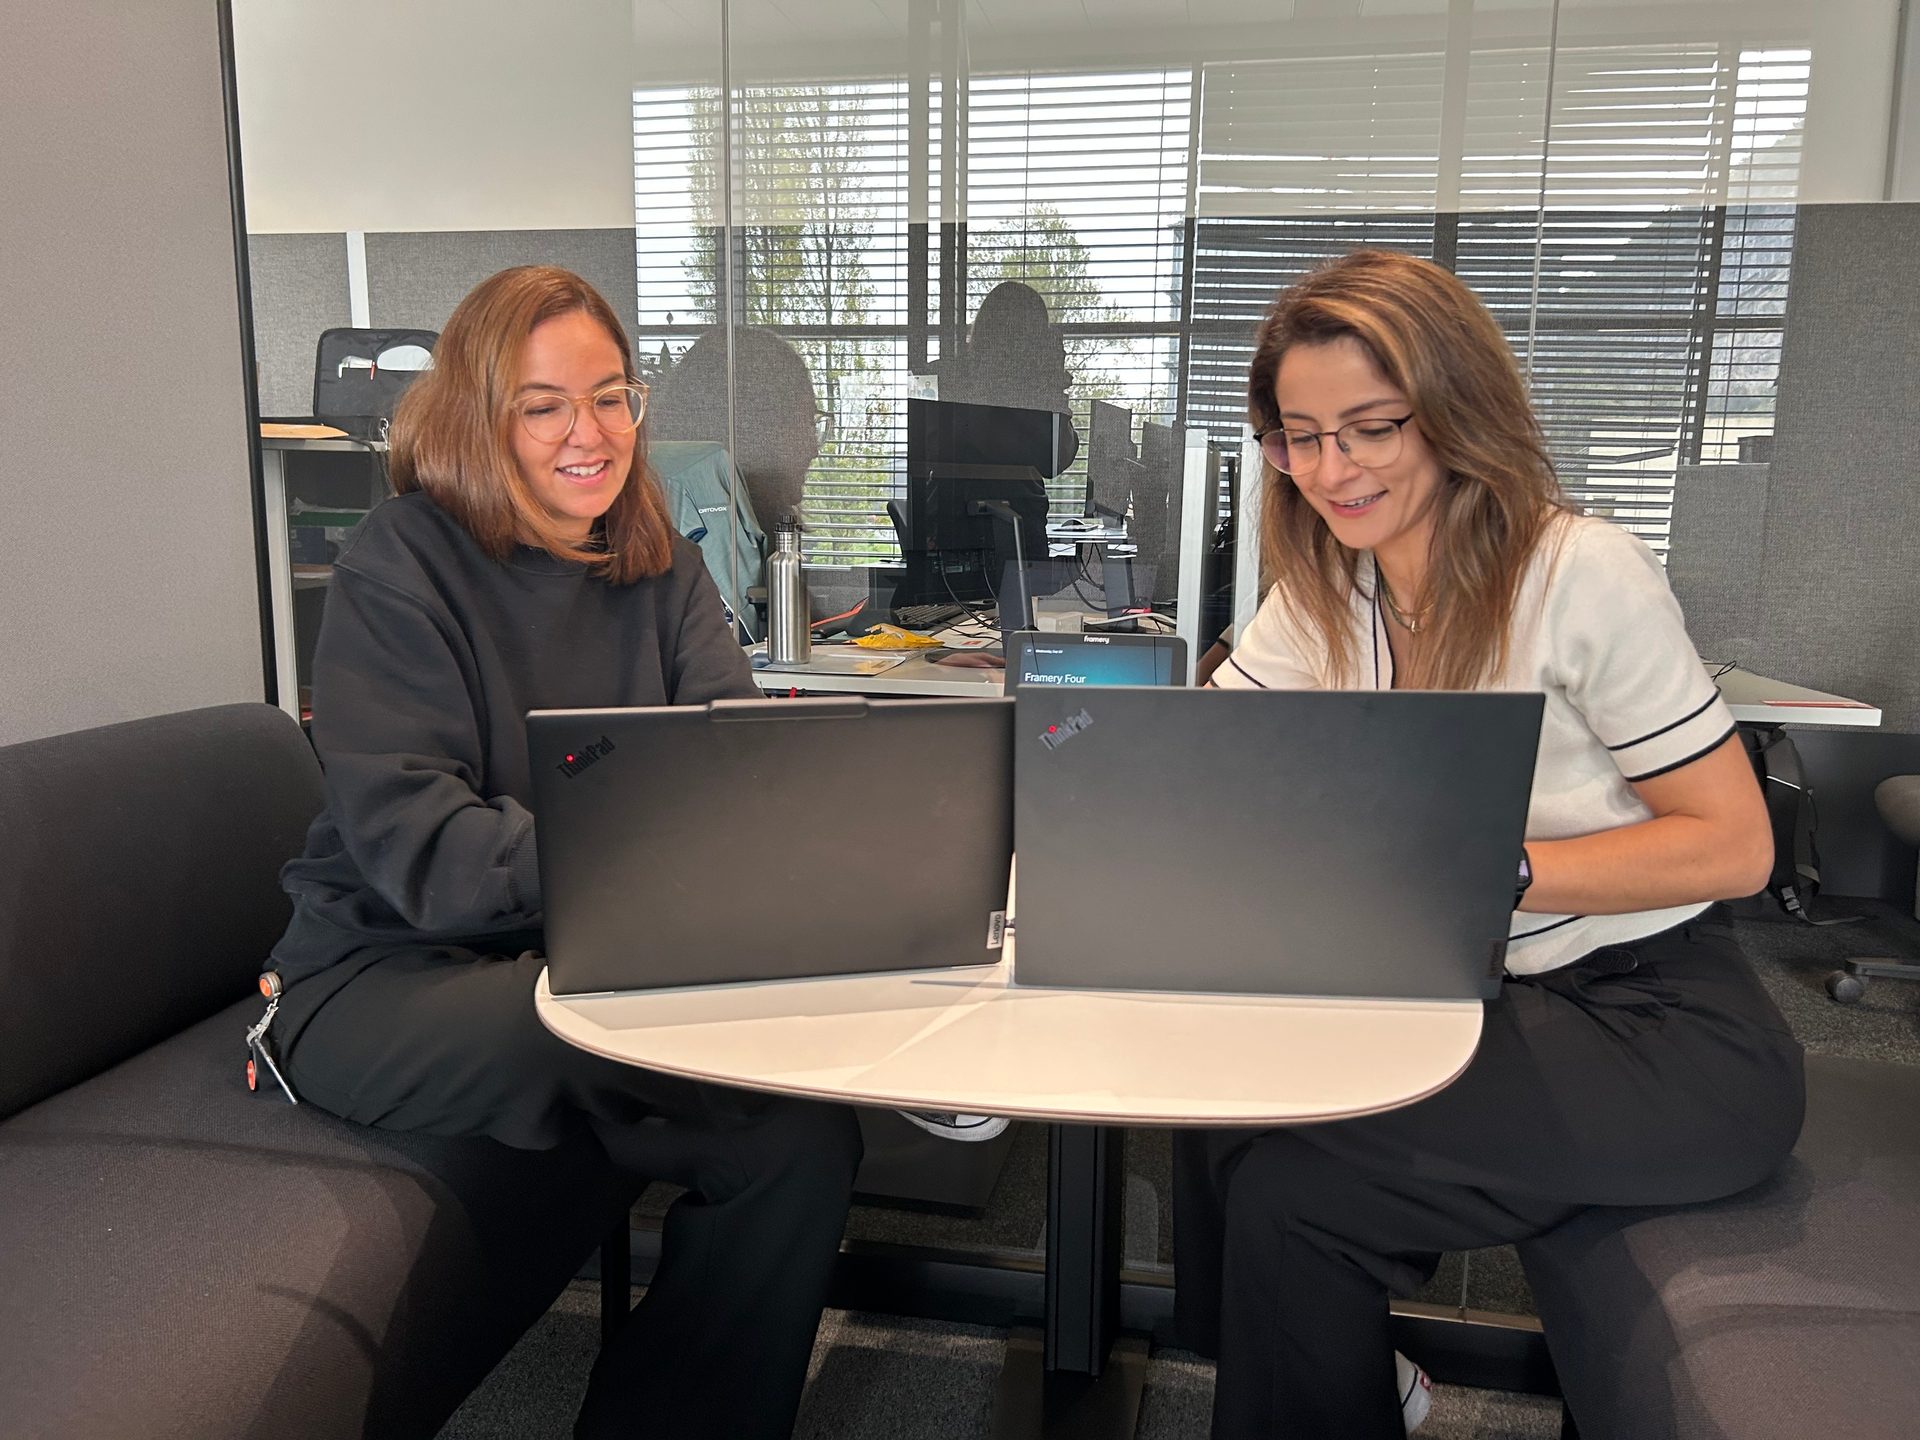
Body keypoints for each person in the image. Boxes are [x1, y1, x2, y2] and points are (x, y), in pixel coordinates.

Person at [1176, 250, 1804, 1438]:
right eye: (1297, 437)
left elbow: (1736, 847)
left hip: (1662, 1024)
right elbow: (1209, 761)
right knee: (1223, 1108)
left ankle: (1331, 1380)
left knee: (1296, 1196)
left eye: (1369, 428)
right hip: (1484, 987)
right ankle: (1340, 1376)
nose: (1329, 470)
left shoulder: (1578, 573)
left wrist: (1497, 865)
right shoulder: (1330, 586)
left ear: (1452, 409)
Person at [259, 265, 862, 1440]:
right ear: (481, 417)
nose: (590, 434)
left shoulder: (658, 566)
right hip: (381, 976)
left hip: (587, 948)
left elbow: (738, 778)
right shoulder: (402, 562)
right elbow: (424, 853)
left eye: (612, 396)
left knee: (799, 1134)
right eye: (544, 405)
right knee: (649, 1048)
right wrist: (663, 862)